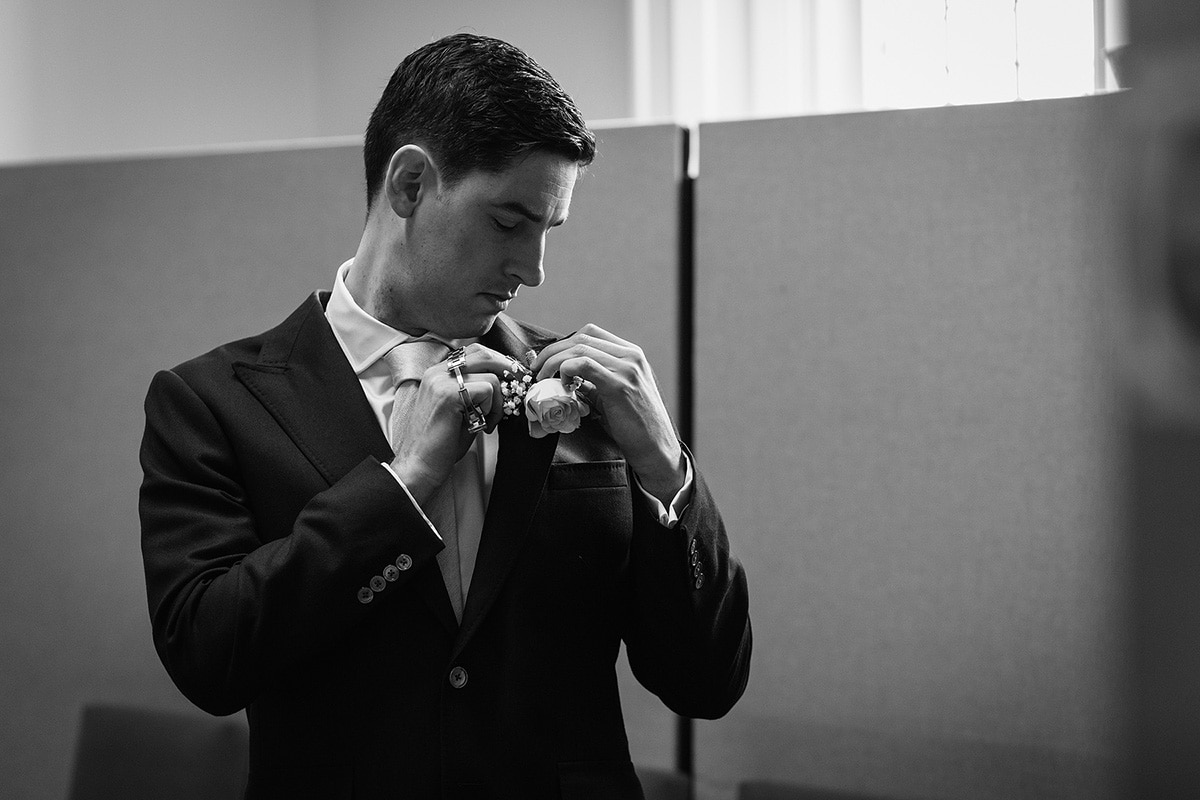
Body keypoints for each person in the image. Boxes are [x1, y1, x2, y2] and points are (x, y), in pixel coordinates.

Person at [139, 32, 750, 799]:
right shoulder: (214, 404)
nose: (532, 270)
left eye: (547, 231)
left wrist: (668, 469)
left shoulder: (596, 396)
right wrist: (408, 480)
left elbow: (708, 682)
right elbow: (208, 657)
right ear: (409, 184)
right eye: (508, 223)